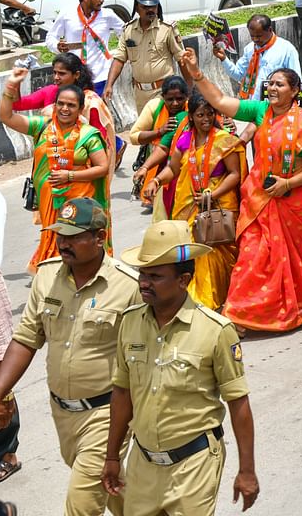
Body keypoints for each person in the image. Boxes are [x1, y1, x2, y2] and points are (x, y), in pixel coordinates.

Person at [101, 221, 259, 516]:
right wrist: (112, 456)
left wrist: (246, 470)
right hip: (142, 465)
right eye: (142, 274)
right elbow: (122, 393)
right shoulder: (130, 322)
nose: (144, 283)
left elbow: (238, 403)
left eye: (156, 276)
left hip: (194, 465)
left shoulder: (216, 331)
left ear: (184, 279)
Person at [0, 198, 138, 513]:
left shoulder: (128, 287)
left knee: (81, 503)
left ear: (100, 238)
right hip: (63, 414)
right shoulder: (46, 277)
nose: (63, 243)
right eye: (60, 234)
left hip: (108, 414)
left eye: (74, 236)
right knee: (115, 489)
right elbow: (25, 339)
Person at [181, 50, 302, 333]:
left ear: (295, 91)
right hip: (260, 200)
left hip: (296, 202)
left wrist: (288, 183)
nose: (273, 88)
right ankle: (240, 313)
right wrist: (196, 73)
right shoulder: (261, 110)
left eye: (280, 84)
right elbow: (220, 102)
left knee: (298, 263)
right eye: (271, 84)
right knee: (252, 255)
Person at [140, 89, 244, 310]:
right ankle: (198, 299)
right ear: (192, 117)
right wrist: (156, 181)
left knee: (216, 253)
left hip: (218, 207)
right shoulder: (185, 140)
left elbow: (235, 174)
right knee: (191, 250)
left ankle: (221, 301)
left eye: (209, 114)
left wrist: (212, 194)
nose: (205, 119)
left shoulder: (225, 141)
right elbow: (173, 169)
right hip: (189, 205)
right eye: (200, 115)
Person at [0, 69, 109, 271]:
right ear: (54, 105)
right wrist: (10, 87)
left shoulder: (88, 135)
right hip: (49, 200)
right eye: (61, 103)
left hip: (78, 204)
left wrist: (70, 175)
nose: (65, 109)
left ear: (80, 109)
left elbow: (102, 168)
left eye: (71, 105)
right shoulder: (41, 126)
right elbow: (6, 116)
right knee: (54, 242)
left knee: (76, 248)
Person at [104, 0, 185, 111]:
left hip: (164, 92)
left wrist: (190, 89)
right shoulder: (128, 30)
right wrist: (109, 85)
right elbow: (119, 59)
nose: (150, 10)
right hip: (140, 93)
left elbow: (182, 59)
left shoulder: (167, 29)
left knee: (164, 128)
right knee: (146, 128)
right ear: (136, 7)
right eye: (145, 7)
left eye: (153, 6)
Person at [45, 0, 124, 95]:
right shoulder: (67, 14)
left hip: (100, 76)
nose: (102, 0)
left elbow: (125, 33)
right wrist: (57, 47)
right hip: (75, 76)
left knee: (97, 110)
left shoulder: (108, 15)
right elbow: (51, 37)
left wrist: (120, 54)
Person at [128, 76, 189, 209]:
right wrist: (159, 132)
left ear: (186, 97)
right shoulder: (154, 106)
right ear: (163, 97)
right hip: (159, 161)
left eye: (179, 99)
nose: (175, 104)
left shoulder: (193, 110)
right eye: (170, 99)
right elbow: (133, 136)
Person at [216, 14, 300, 100]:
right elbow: (238, 74)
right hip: (251, 103)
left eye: (259, 36)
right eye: (252, 36)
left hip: (274, 104)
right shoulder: (249, 49)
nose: (255, 39)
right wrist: (224, 59)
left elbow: (296, 81)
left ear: (270, 30)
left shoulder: (286, 49)